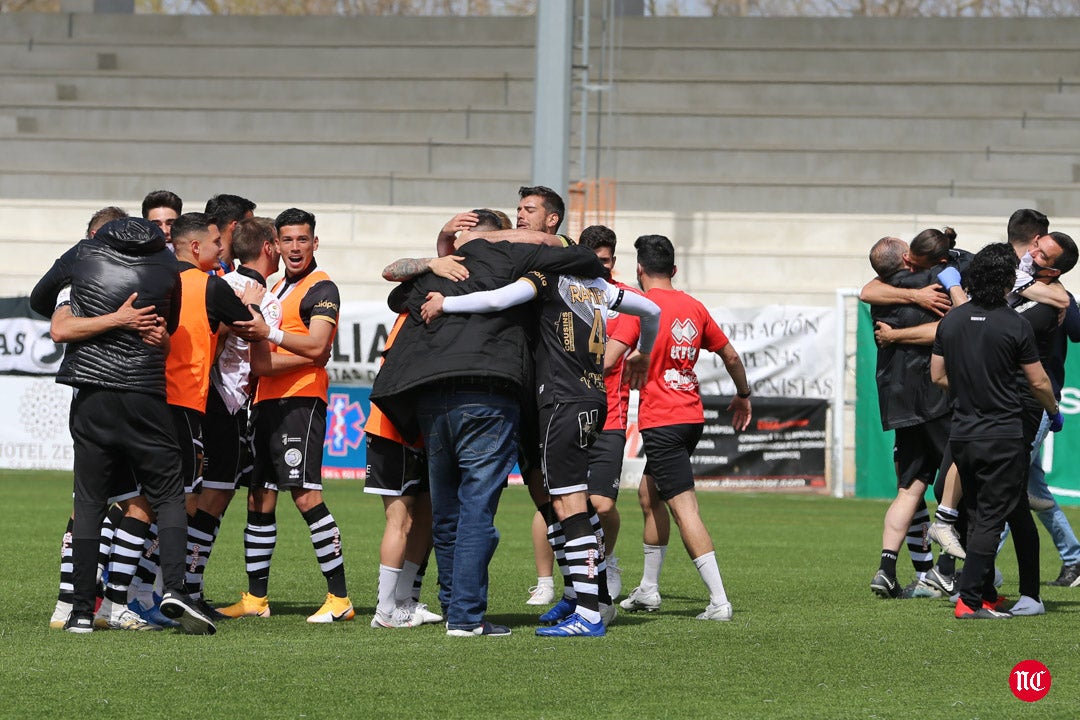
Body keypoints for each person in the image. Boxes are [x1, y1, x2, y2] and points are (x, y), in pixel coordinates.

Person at [370, 209, 607, 637]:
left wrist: (433, 259)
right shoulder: (516, 258)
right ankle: (465, 616)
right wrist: (526, 241)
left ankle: (452, 607)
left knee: (446, 511)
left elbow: (394, 294)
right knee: (478, 508)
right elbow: (588, 261)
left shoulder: (435, 274)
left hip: (430, 397)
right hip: (488, 394)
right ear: (503, 236)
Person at [420, 229, 660, 636]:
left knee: (568, 504)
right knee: (570, 503)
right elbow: (651, 311)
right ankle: (589, 600)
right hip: (594, 398)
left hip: (562, 401)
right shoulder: (600, 287)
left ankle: (588, 614)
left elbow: (497, 299)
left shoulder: (545, 280)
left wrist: (447, 304)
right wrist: (644, 354)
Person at [39, 216, 216, 634]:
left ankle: (81, 610)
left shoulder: (83, 255)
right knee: (170, 495)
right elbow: (165, 330)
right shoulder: (168, 266)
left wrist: (80, 301)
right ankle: (173, 589)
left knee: (89, 502)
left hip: (93, 394)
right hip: (145, 394)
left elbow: (38, 300)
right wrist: (124, 322)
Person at [616, 234, 751, 621]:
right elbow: (731, 355)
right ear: (673, 270)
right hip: (691, 416)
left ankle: (719, 601)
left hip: (663, 420)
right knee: (648, 495)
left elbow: (613, 357)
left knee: (684, 508)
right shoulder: (694, 306)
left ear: (639, 269)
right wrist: (743, 394)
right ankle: (648, 589)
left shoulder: (640, 307)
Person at [232, 207, 351, 624]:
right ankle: (255, 598)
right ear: (275, 245)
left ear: (314, 243)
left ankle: (340, 598)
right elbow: (264, 359)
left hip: (301, 402)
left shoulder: (323, 288)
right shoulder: (275, 286)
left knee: (305, 494)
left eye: (303, 239)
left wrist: (271, 337)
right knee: (259, 497)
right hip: (265, 402)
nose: (296, 247)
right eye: (288, 240)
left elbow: (318, 348)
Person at [930, 243, 1062, 619]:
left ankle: (987, 594)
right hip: (1002, 433)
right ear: (1007, 281)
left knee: (977, 512)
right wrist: (1053, 411)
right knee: (990, 518)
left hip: (963, 433)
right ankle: (970, 602)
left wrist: (966, 392)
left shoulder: (952, 321)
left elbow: (937, 375)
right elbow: (1037, 381)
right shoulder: (1014, 323)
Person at [184, 217, 282, 616]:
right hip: (220, 403)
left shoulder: (219, 283)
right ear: (270, 246)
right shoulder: (258, 297)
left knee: (204, 495)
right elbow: (258, 362)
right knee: (210, 496)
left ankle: (179, 585)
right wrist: (313, 357)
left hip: (209, 400)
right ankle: (184, 587)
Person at [862, 235, 953, 599]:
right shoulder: (936, 281)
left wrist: (896, 335)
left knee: (909, 487)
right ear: (906, 256)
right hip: (937, 395)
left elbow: (866, 290)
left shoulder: (881, 291)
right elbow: (947, 329)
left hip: (897, 398)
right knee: (958, 486)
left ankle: (888, 568)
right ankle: (947, 572)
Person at [574, 224, 643, 601]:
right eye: (592, 261)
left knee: (601, 503)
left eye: (605, 261)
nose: (599, 267)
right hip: (566, 413)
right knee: (564, 502)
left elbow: (609, 359)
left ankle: (608, 558)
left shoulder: (626, 299)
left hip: (609, 417)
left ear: (614, 261)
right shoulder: (565, 293)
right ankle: (569, 579)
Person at [204, 193, 256, 271]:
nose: (253, 234)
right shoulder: (207, 272)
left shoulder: (229, 267)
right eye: (249, 227)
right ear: (235, 227)